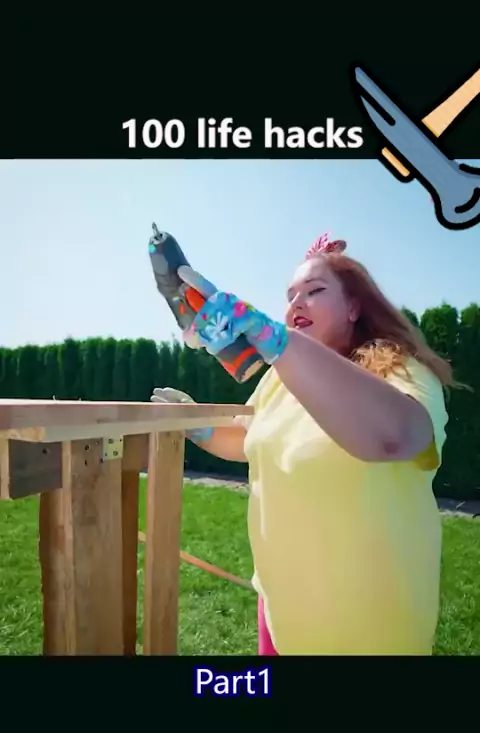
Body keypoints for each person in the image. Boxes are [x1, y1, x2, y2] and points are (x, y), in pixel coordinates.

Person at [152, 232, 454, 656]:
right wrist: (193, 424)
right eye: (290, 295)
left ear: (354, 307)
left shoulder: (400, 369)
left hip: (370, 633)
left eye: (314, 291)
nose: (296, 303)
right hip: (280, 616)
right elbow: (247, 439)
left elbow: (395, 436)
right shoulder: (279, 378)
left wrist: (275, 340)